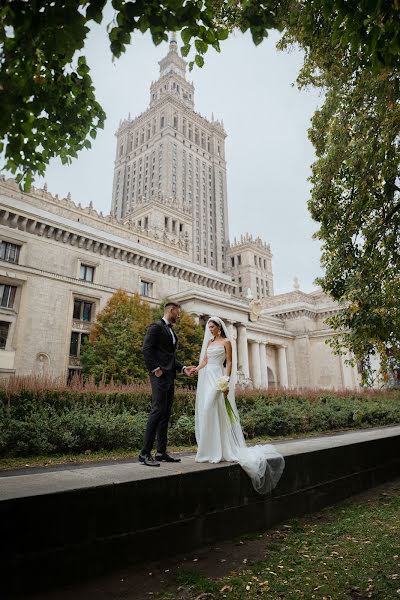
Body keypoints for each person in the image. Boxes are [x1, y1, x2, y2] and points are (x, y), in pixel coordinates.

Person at [191, 316, 285, 494]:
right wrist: (196, 369)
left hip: (218, 377)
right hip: (207, 376)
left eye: (212, 327)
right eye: (208, 327)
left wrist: (226, 381)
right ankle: (209, 451)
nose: (209, 329)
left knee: (210, 407)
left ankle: (222, 450)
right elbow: (204, 361)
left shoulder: (226, 341)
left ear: (219, 327)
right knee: (209, 412)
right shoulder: (209, 343)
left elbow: (230, 362)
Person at [140, 302, 192, 467]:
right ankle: (144, 454)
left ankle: (161, 452)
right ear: (171, 310)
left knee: (165, 414)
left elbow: (169, 357)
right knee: (157, 411)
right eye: (178, 313)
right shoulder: (156, 327)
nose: (179, 316)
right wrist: (155, 369)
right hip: (160, 376)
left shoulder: (171, 331)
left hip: (170, 377)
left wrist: (183, 368)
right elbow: (146, 349)